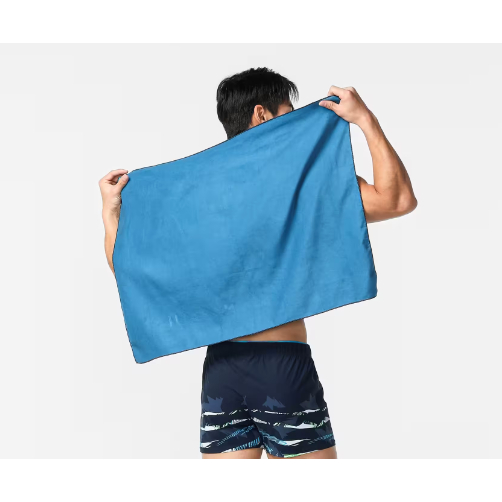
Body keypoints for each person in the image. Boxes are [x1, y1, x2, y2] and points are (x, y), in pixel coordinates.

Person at [99, 68, 417, 459]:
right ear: (262, 114)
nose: (296, 122)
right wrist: (365, 119)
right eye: (289, 113)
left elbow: (130, 274)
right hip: (279, 367)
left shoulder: (197, 197)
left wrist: (110, 214)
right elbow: (397, 200)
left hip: (221, 373)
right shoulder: (303, 183)